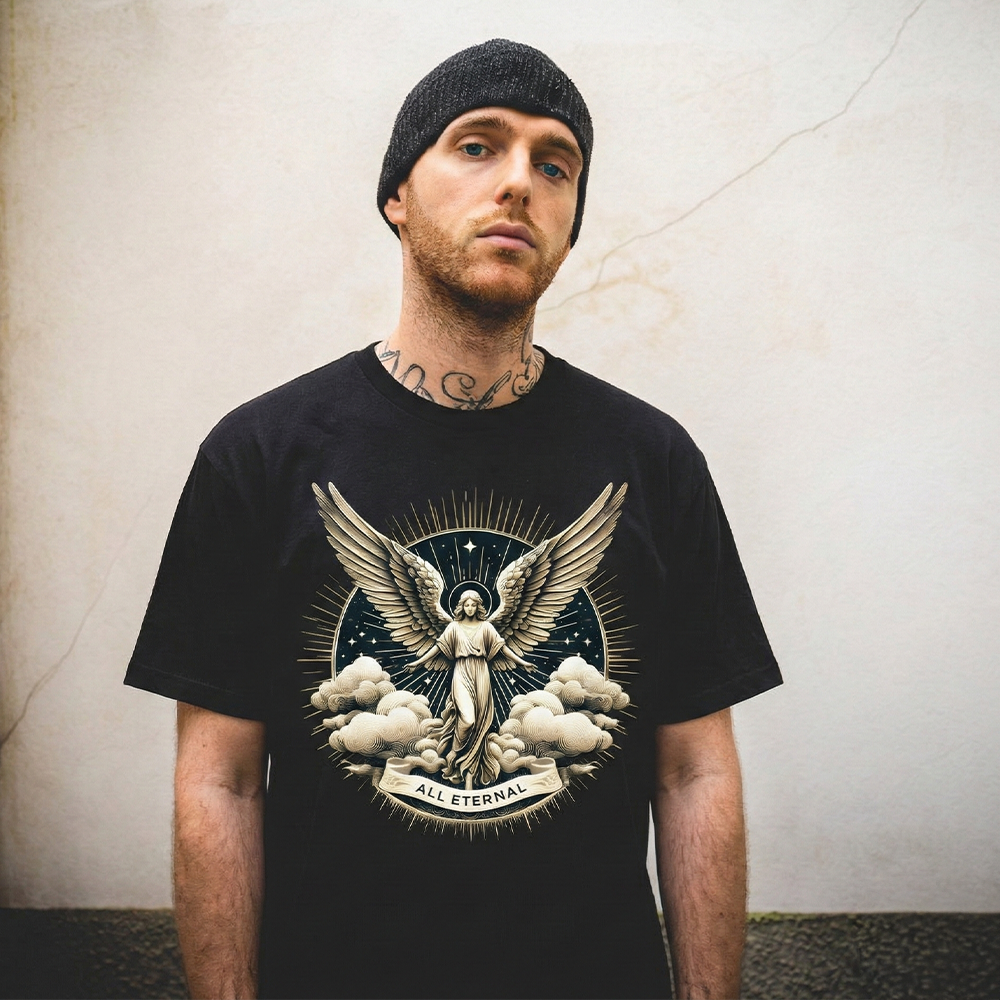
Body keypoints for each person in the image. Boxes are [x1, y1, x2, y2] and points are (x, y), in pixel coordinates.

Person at [125, 38, 782, 1000]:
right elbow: (220, 782)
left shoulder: (654, 461)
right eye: (477, 146)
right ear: (397, 194)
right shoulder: (259, 456)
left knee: (481, 719)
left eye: (555, 165)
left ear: (570, 226)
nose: (519, 182)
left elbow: (694, 774)